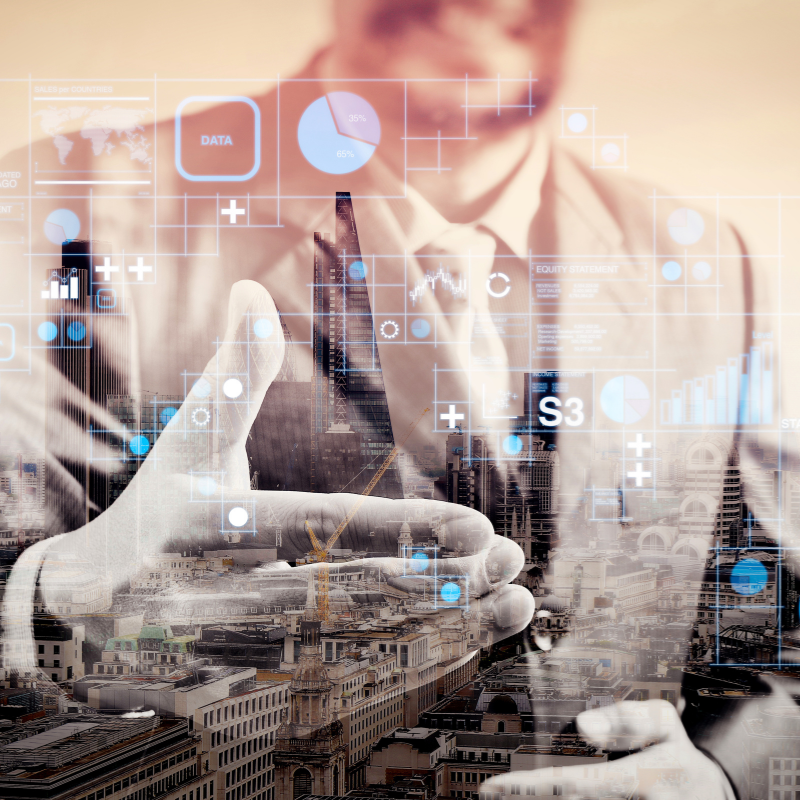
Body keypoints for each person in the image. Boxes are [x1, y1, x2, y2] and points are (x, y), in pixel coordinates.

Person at [0, 2, 792, 799]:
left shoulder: (708, 261)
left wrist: (728, 773)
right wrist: (54, 616)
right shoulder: (57, 214)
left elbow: (777, 618)